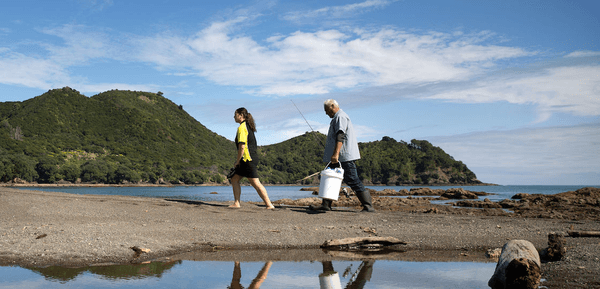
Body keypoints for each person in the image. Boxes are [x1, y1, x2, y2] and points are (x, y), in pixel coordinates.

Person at [310, 99, 375, 212]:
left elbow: (341, 135)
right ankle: (326, 205)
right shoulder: (338, 117)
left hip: (343, 156)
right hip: (338, 157)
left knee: (352, 179)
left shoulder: (341, 117)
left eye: (326, 110)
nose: (326, 113)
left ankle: (368, 206)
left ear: (332, 106)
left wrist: (335, 154)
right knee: (330, 178)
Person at [229, 107, 275, 210]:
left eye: (235, 115)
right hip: (249, 159)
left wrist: (237, 161)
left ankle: (269, 205)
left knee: (255, 183)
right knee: (234, 179)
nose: (233, 117)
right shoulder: (248, 126)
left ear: (241, 115)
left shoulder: (242, 127)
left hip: (247, 160)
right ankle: (236, 203)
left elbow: (242, 146)